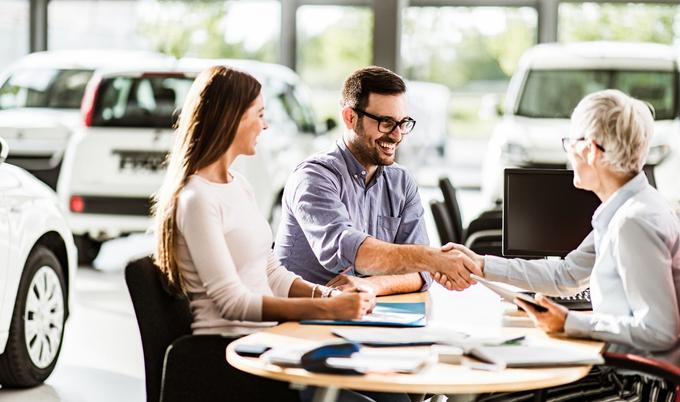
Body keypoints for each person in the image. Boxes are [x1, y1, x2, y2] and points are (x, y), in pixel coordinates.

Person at [152, 65, 381, 402]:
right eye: (259, 114)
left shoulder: (238, 185)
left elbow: (270, 271)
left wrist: (325, 296)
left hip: (268, 343)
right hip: (229, 357)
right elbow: (233, 303)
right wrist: (327, 311)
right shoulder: (196, 198)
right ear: (232, 118)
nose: (265, 124)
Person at [436, 89, 680, 401]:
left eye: (570, 143)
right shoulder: (628, 208)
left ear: (590, 149)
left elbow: (659, 331)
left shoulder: (633, 221)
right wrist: (481, 264)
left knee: (492, 397)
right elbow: (564, 276)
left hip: (634, 386)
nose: (568, 153)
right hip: (619, 370)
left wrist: (569, 322)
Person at [275, 66, 482, 296]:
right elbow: (351, 252)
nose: (397, 135)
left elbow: (420, 274)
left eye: (402, 123)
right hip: (301, 318)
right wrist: (432, 259)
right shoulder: (313, 177)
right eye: (386, 122)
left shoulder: (401, 182)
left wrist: (371, 286)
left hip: (366, 312)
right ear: (350, 118)